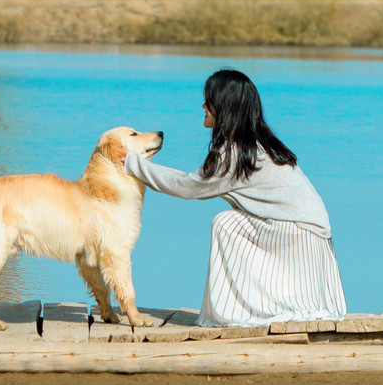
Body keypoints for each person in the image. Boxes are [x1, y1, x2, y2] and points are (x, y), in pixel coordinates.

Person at [125, 69, 346, 327]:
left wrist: (131, 163)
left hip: (299, 237)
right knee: (232, 221)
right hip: (309, 236)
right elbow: (192, 182)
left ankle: (239, 312)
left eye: (209, 100)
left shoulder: (235, 152)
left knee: (226, 223)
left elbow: (187, 187)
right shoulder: (256, 143)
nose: (203, 106)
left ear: (225, 107)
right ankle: (249, 307)